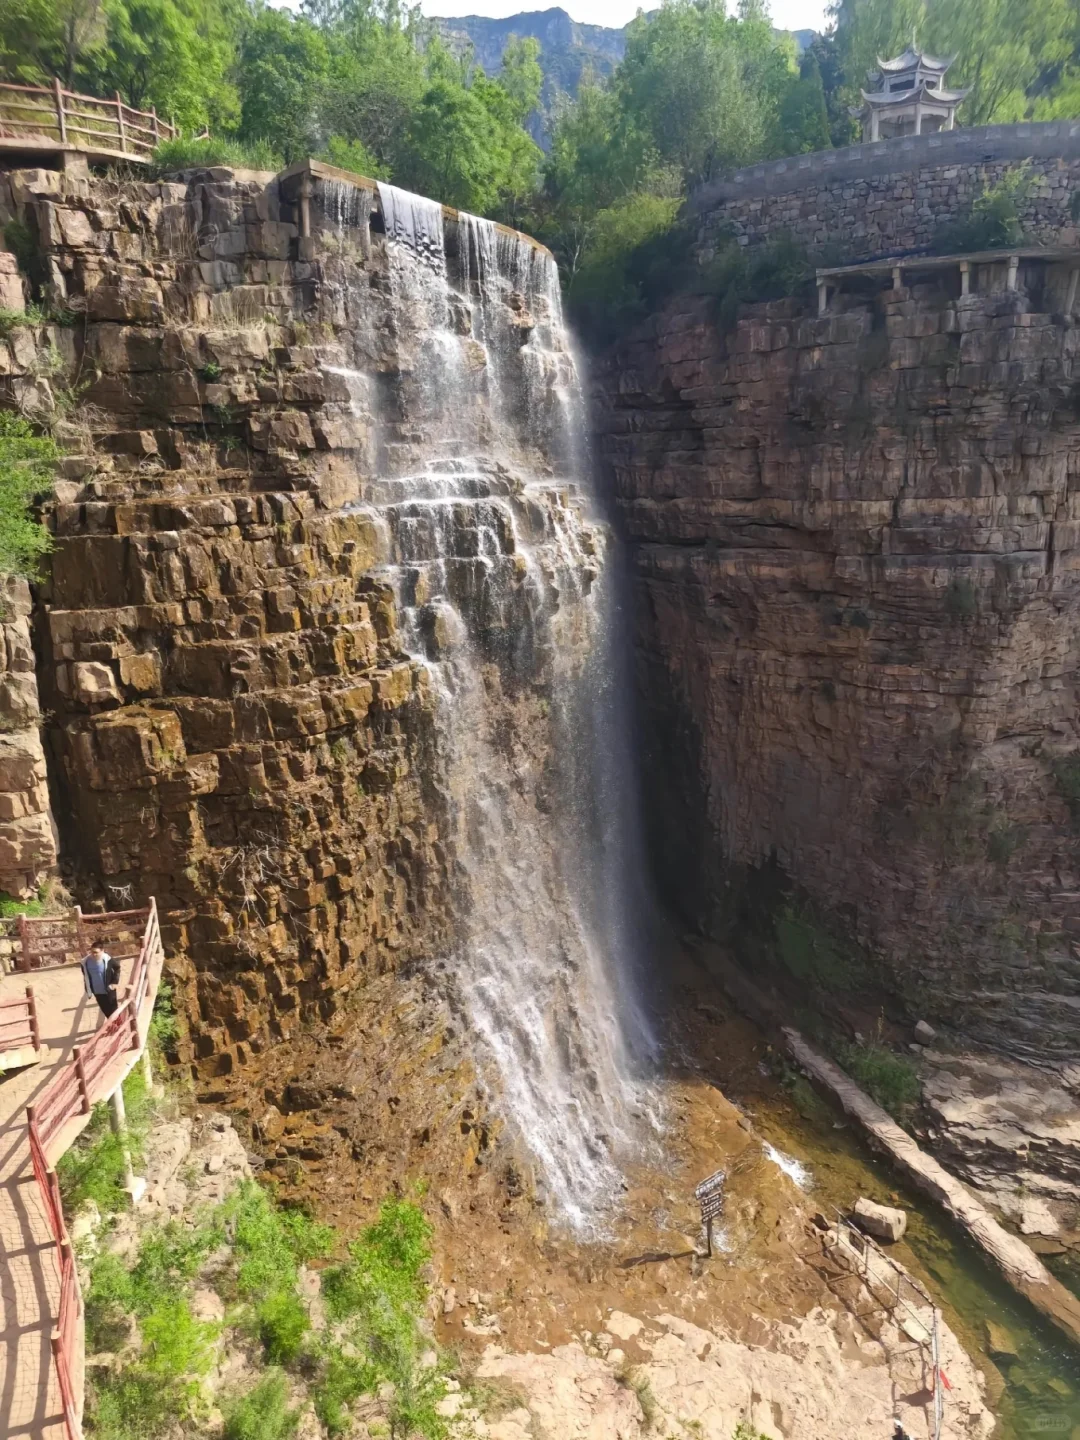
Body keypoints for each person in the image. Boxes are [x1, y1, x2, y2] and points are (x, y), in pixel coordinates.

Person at [81, 940, 120, 1019]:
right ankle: (113, 1027)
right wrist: (89, 989)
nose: (94, 954)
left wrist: (114, 982)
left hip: (109, 990)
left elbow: (117, 968)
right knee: (106, 1011)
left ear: (102, 950)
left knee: (114, 1011)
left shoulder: (107, 960)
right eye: (92, 952)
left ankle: (119, 1027)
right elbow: (86, 975)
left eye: (96, 952)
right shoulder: (85, 962)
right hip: (97, 992)